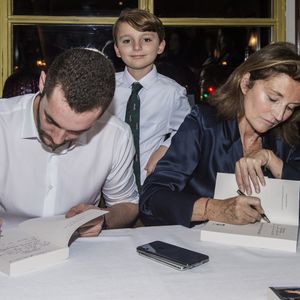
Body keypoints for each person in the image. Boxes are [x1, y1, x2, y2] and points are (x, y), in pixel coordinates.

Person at [139, 42, 300, 227]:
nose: (280, 115)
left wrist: (272, 160)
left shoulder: (288, 136)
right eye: (273, 98)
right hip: (199, 247)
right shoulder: (204, 125)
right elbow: (152, 198)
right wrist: (214, 209)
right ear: (246, 83)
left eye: (291, 107)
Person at [0, 48, 139, 236]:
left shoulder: (116, 135)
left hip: (77, 249)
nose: (56, 139)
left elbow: (128, 205)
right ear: (43, 83)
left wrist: (104, 218)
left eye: (76, 131)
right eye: (51, 121)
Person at [108, 8, 191, 191]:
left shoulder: (173, 92)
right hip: (108, 186)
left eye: (146, 39)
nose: (137, 47)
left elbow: (188, 131)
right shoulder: (105, 87)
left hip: (151, 184)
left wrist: (165, 147)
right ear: (117, 49)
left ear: (160, 46)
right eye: (127, 41)